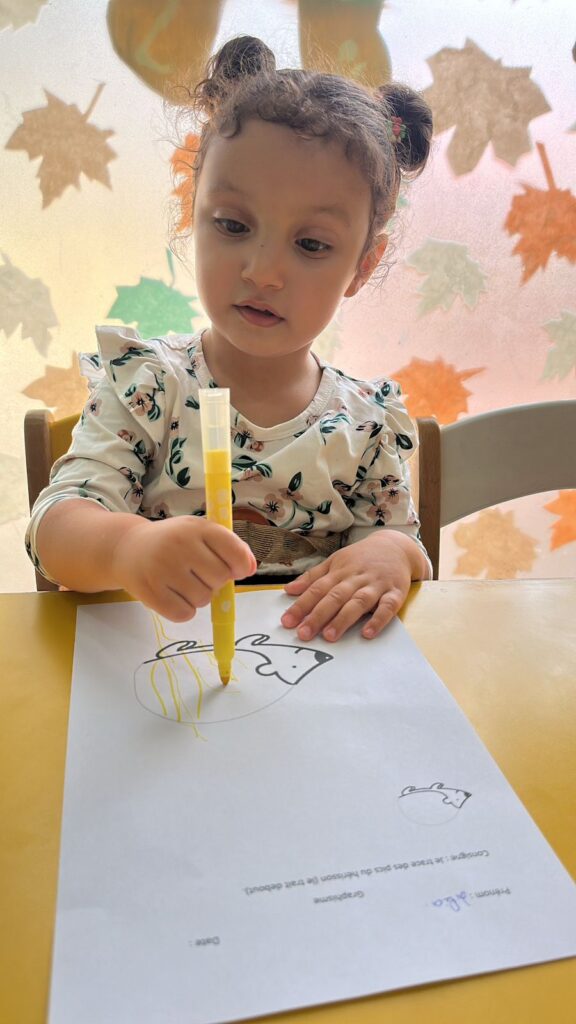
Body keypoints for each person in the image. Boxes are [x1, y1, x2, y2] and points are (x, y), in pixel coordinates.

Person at [26, 35, 433, 645]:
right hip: (156, 673)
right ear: (193, 214)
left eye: (311, 244)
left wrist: (391, 554)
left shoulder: (368, 426)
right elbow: (54, 533)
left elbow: (400, 541)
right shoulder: (147, 388)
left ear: (363, 266)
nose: (263, 272)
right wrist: (125, 548)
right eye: (233, 225)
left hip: (313, 680)